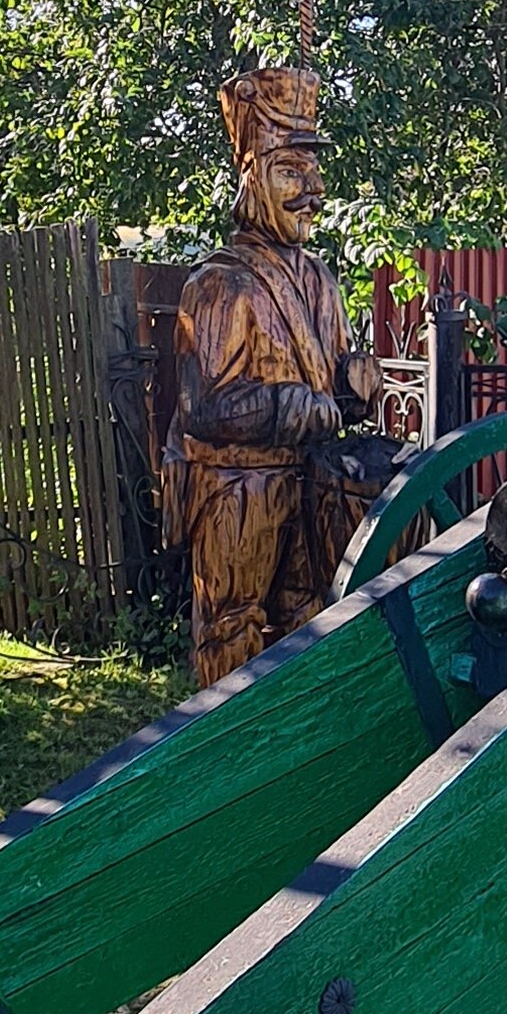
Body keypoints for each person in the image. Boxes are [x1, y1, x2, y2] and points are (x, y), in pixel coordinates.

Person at [163, 55, 387, 688]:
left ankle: (297, 743)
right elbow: (207, 406)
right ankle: (221, 745)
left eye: (314, 174)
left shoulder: (320, 280)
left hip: (312, 480)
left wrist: (355, 379)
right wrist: (296, 405)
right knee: (231, 627)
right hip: (239, 489)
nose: (311, 191)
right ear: (251, 176)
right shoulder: (218, 283)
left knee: (309, 617)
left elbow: (338, 373)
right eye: (291, 171)